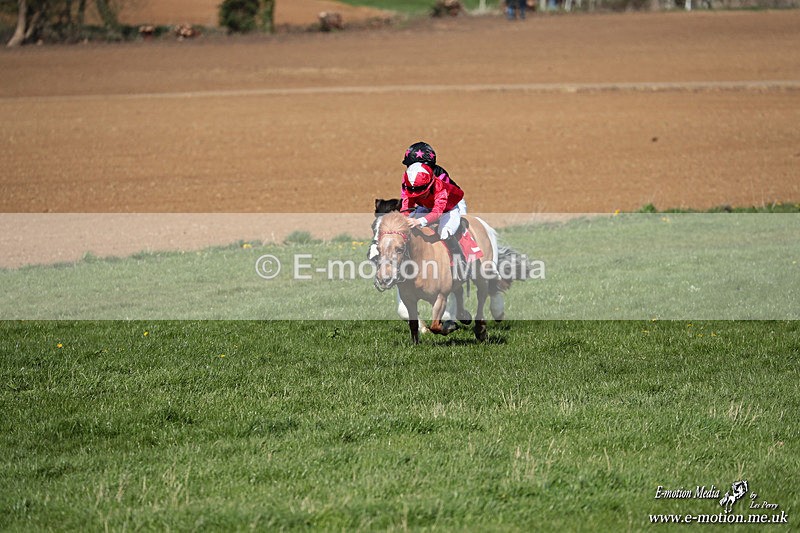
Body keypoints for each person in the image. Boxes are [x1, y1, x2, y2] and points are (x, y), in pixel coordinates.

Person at [401, 161, 467, 280]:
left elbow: (437, 213)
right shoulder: (410, 188)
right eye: (413, 190)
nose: (416, 194)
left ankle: (460, 263)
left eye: (421, 189)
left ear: (430, 183)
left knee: (445, 233)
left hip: (448, 210)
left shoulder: (440, 187)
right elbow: (406, 208)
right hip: (427, 208)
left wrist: (418, 221)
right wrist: (404, 220)